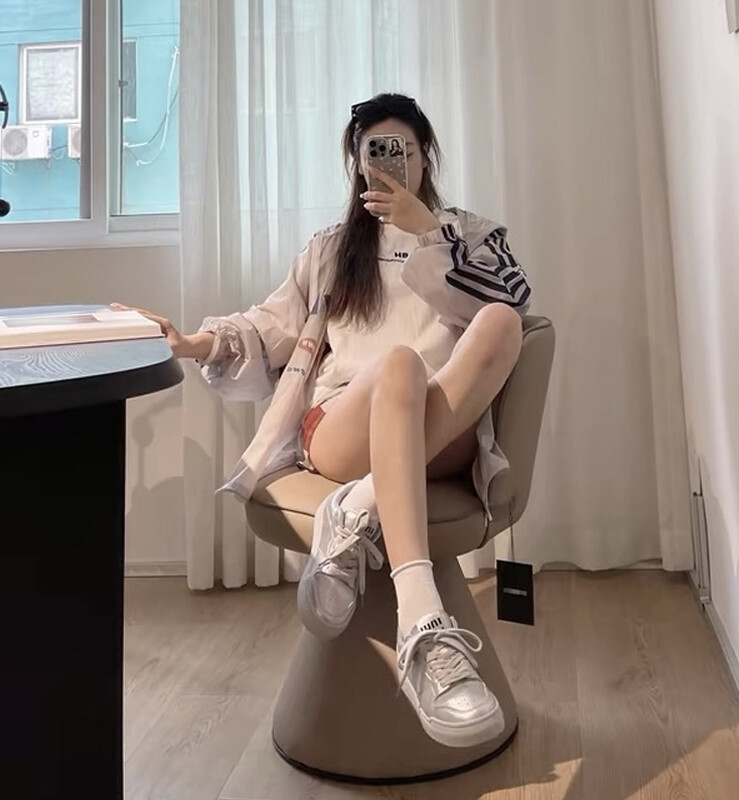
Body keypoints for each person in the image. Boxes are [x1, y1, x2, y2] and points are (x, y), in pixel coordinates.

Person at [115, 93, 531, 749]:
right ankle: (423, 620)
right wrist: (193, 343)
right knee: (399, 365)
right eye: (374, 153)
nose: (389, 164)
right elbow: (266, 327)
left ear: (426, 158)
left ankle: (359, 506)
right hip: (342, 428)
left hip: (440, 432)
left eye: (402, 151)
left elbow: (511, 299)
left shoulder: (472, 236)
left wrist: (429, 234)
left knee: (501, 322)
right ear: (357, 165)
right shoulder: (333, 251)